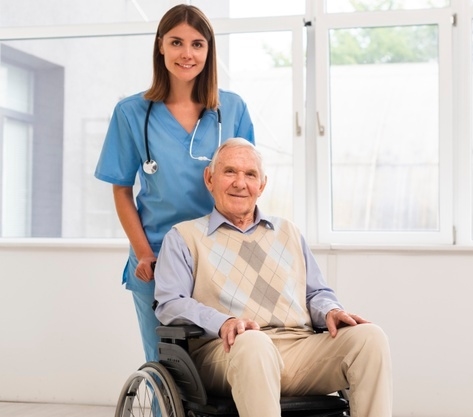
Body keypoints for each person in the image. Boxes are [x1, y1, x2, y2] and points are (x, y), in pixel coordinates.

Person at [154, 138, 393, 417]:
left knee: (369, 337)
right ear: (209, 178)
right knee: (254, 343)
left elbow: (316, 293)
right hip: (227, 352)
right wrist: (224, 322)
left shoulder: (287, 231)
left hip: (298, 349)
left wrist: (331, 310)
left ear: (262, 186)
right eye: (229, 171)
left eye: (250, 174)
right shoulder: (184, 237)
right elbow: (170, 303)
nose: (240, 183)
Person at [94, 4, 255, 363]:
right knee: (167, 365)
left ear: (209, 51)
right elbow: (121, 189)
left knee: (228, 361)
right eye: (177, 42)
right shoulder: (131, 112)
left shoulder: (232, 109)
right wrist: (145, 252)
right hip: (156, 256)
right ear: (160, 46)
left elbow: (248, 184)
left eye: (197, 44)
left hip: (220, 255)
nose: (187, 53)